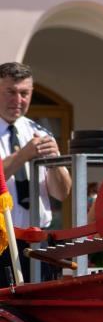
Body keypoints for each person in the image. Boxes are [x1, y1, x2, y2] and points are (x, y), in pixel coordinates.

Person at [0, 62, 72, 285]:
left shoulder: (39, 131)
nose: (18, 100)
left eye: (24, 93)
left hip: (38, 240)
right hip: (2, 241)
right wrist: (23, 155)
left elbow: (62, 193)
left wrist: (54, 164)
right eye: (10, 92)